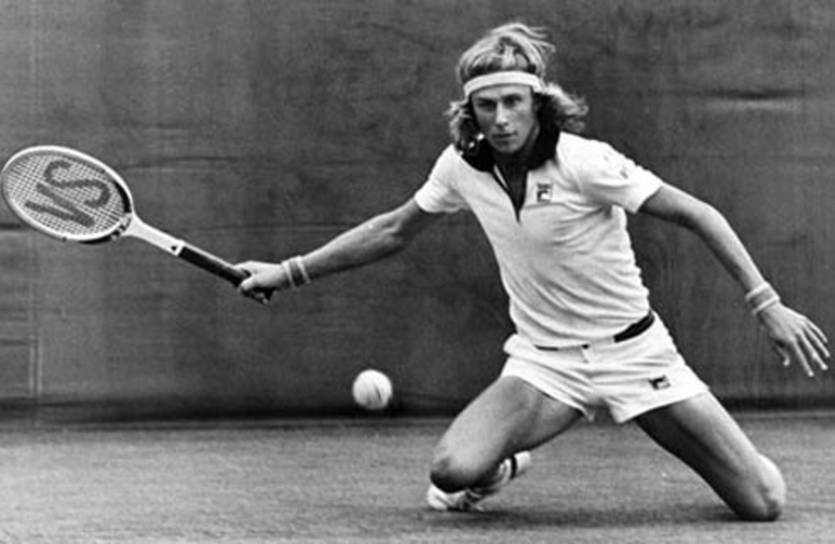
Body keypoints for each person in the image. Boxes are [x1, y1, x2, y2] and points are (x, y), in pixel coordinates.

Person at [235, 22, 829, 521]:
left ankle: (733, 457)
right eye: (486, 105)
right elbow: (393, 229)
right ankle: (504, 466)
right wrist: (287, 272)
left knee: (763, 502)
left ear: (537, 103)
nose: (500, 119)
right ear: (470, 111)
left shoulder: (586, 162)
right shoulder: (460, 167)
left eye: (512, 102)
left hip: (637, 355)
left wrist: (766, 303)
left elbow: (699, 215)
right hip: (546, 364)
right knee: (452, 471)